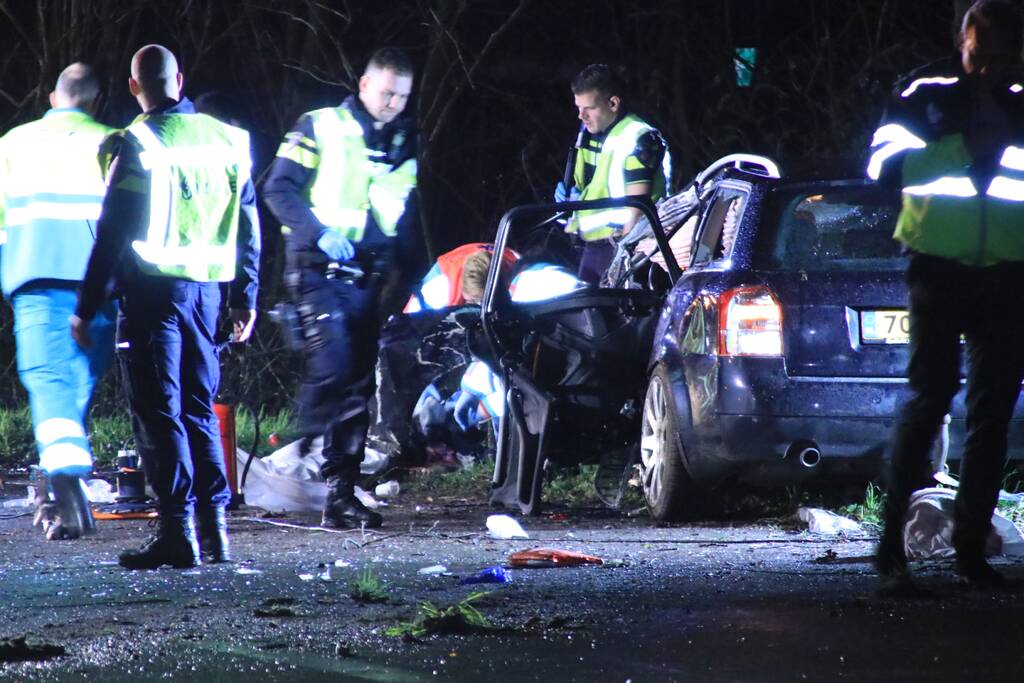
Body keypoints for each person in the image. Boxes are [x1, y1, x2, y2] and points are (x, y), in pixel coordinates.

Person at [71, 45, 260, 569]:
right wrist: (247, 297)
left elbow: (112, 232)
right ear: (181, 77)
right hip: (209, 296)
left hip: (153, 297)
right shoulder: (228, 140)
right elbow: (249, 227)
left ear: (135, 87)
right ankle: (214, 532)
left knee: (160, 415)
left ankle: (177, 533)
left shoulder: (136, 143)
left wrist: (86, 306)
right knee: (199, 411)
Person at [867, 0, 1024, 586]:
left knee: (992, 414)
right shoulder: (924, 96)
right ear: (963, 43)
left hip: (1009, 274)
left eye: (1000, 57)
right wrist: (962, 144)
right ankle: (889, 548)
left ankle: (970, 550)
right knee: (929, 400)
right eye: (979, 55)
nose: (987, 69)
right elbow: (880, 165)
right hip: (937, 267)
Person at [263, 47, 421, 529]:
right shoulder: (320, 126)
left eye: (402, 96)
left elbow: (403, 213)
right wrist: (318, 233)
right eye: (387, 92)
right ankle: (308, 433)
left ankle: (341, 494)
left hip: (369, 278)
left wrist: (411, 277)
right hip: (317, 269)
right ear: (364, 85)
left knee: (356, 388)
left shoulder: (402, 139)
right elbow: (277, 188)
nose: (393, 103)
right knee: (332, 366)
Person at [0, 63, 116, 540]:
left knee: (51, 387)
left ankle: (67, 490)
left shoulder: (13, 144)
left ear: (53, 98)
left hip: (37, 279)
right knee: (77, 387)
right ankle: (62, 490)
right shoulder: (114, 140)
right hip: (100, 286)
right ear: (97, 100)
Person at [556, 64, 668, 284]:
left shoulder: (639, 137)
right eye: (578, 107)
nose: (581, 116)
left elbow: (637, 207)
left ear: (613, 103)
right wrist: (570, 198)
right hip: (593, 247)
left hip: (623, 247)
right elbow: (591, 187)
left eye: (589, 108)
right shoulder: (591, 134)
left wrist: (624, 264)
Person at [403, 242, 519, 312]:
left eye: (481, 301)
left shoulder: (521, 272)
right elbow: (408, 328)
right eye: (472, 301)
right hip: (452, 265)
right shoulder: (438, 287)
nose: (478, 305)